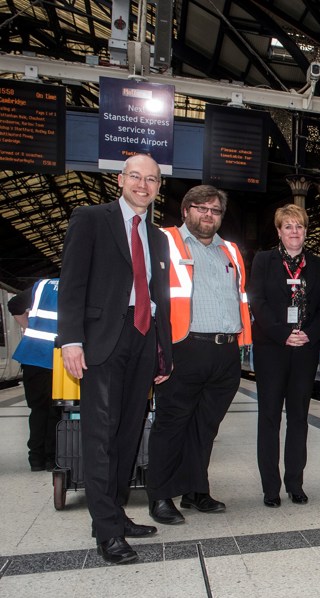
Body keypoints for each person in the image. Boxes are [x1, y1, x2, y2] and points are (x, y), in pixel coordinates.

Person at [58, 153, 173, 564]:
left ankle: (118, 513)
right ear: (121, 180)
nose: (144, 185)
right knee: (101, 435)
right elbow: (71, 283)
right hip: (102, 339)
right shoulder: (91, 219)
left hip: (144, 337)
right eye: (136, 177)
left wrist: (164, 354)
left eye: (152, 180)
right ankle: (105, 530)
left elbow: (160, 298)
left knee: (128, 433)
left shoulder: (157, 236)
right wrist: (70, 340)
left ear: (159, 186)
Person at [147, 184, 252, 525]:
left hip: (225, 352)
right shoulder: (163, 242)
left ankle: (195, 490)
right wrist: (159, 350)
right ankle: (160, 496)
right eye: (201, 208)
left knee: (205, 427)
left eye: (215, 210)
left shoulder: (231, 252)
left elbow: (239, 298)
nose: (208, 215)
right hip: (183, 347)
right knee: (171, 425)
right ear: (187, 210)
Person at [249, 204, 320, 508]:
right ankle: (271, 487)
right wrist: (284, 333)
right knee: (269, 418)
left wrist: (310, 332)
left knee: (299, 418)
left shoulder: (318, 265)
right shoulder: (264, 261)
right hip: (272, 348)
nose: (294, 231)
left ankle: (295, 483)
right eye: (288, 226)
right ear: (279, 231)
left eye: (299, 226)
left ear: (306, 231)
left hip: (305, 349)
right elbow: (257, 301)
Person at [7, 279, 61, 472]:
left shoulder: (42, 285)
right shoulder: (81, 284)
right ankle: (51, 458)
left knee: (38, 409)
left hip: (32, 355)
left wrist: (30, 327)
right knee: (56, 410)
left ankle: (36, 459)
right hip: (59, 357)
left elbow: (13, 305)